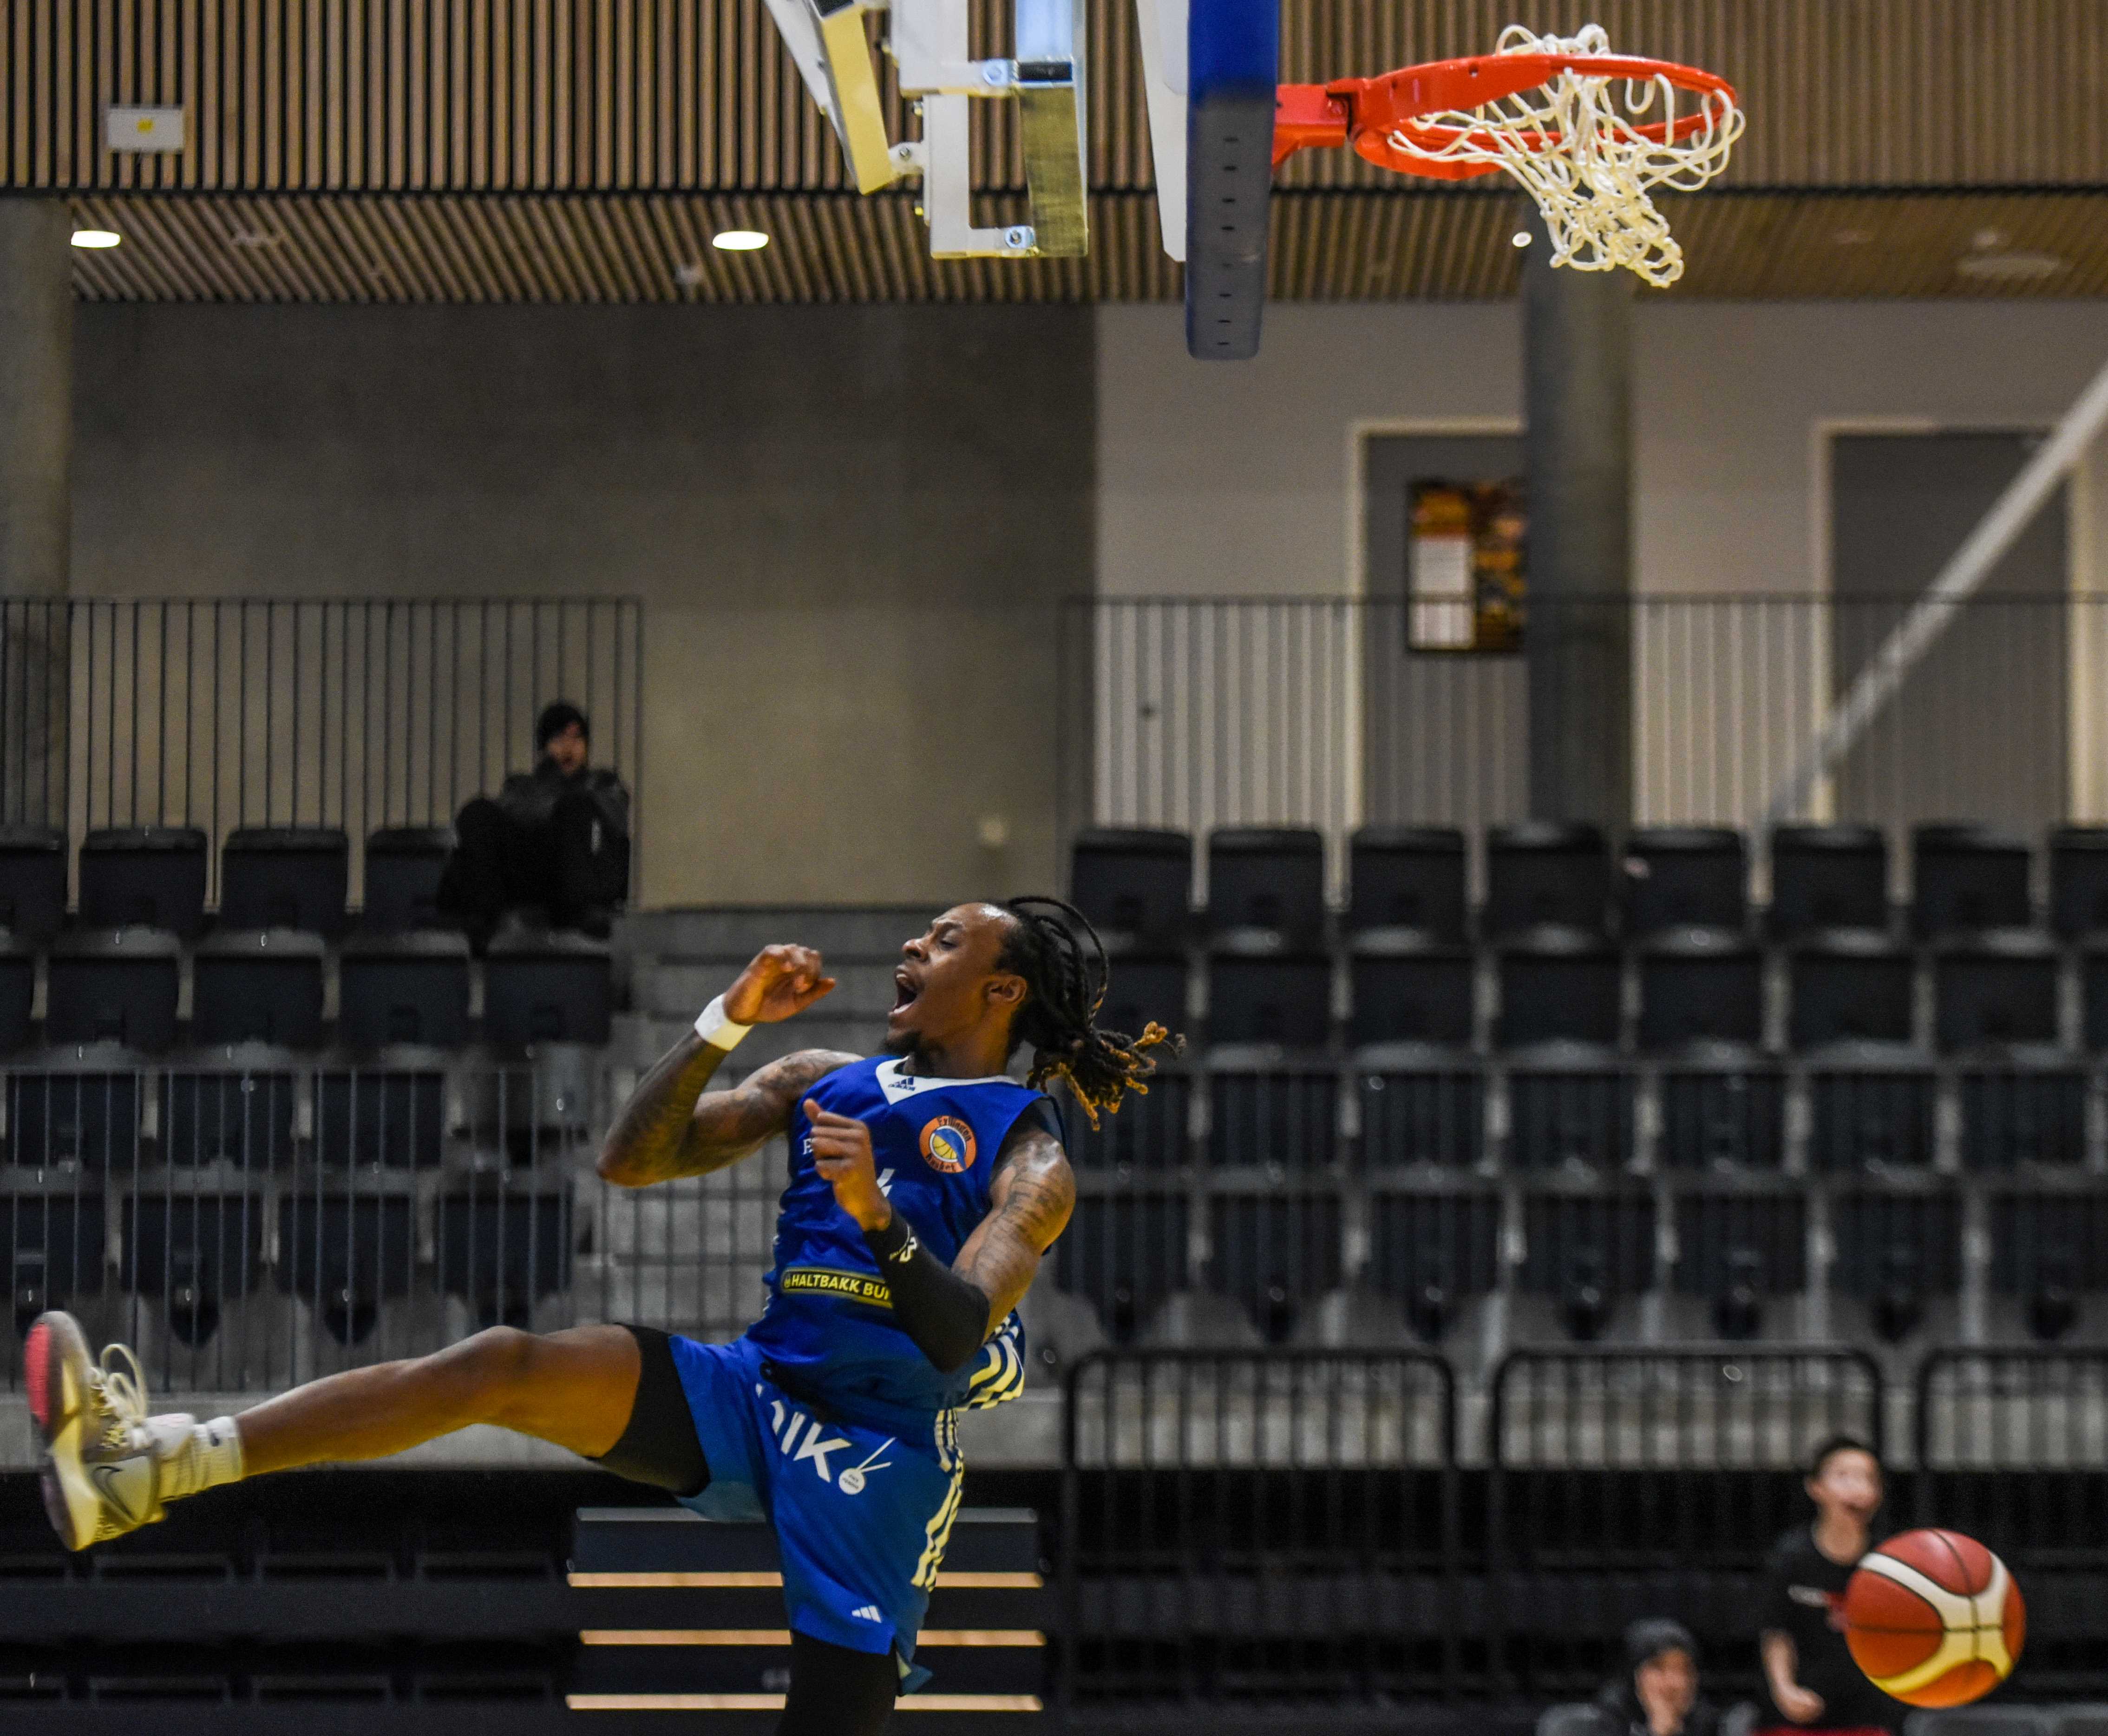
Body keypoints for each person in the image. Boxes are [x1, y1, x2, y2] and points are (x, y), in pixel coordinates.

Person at [27, 898, 1174, 1736]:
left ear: (1002, 990)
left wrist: (878, 1216)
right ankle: (147, 1469)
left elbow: (960, 1328)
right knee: (502, 1361)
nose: (913, 950)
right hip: (756, 1392)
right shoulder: (824, 1075)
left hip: (879, 1456)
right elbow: (631, 1162)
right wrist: (725, 1022)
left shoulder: (1029, 1153)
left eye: (943, 942)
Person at [437, 699, 631, 947]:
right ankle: (476, 920)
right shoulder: (523, 786)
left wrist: (565, 797)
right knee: (478, 812)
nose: (569, 748)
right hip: (531, 874)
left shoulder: (603, 784)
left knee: (575, 809)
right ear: (544, 748)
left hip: (579, 882)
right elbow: (514, 813)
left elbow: (615, 816)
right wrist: (553, 783)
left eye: (577, 739)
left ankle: (577, 918)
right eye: (559, 739)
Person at [1757, 1436, 1903, 1735]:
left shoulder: (1890, 1563)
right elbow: (1776, 1633)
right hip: (1797, 1718)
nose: (1858, 1487)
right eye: (1844, 1476)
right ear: (1816, 1488)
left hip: (1868, 1718)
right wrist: (1784, 1689)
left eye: (1868, 1479)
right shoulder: (1790, 1556)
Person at [1578, 1619, 1725, 1736]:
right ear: (1633, 1674)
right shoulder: (1602, 1723)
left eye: (1685, 1669)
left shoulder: (1710, 1724)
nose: (1675, 1683)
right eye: (1659, 1668)